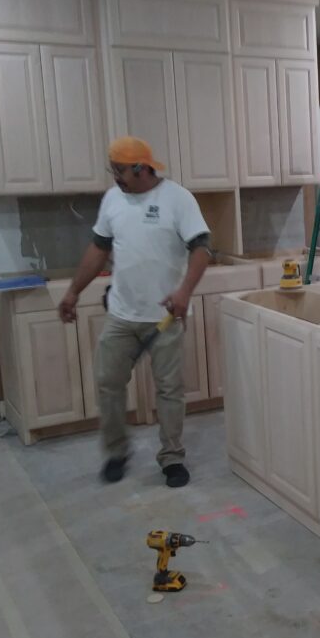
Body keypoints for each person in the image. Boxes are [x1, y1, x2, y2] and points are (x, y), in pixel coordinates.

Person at [58, 137, 212, 487]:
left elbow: (202, 248)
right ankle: (116, 452)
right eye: (112, 169)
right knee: (108, 383)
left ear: (142, 168)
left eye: (120, 169)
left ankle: (172, 458)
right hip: (122, 314)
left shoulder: (177, 198)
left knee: (169, 390)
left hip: (164, 316)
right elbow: (99, 248)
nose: (115, 177)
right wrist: (72, 291)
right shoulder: (113, 199)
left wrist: (184, 291)